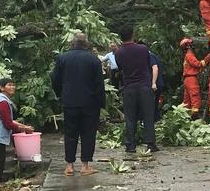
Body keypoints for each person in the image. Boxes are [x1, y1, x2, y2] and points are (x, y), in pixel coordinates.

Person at [51, 31, 106, 176]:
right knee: (88, 133)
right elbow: (99, 84)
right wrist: (101, 102)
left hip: (69, 101)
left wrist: (61, 94)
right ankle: (85, 165)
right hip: (90, 102)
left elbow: (55, 79)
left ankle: (69, 166)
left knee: (70, 133)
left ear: (72, 43)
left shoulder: (63, 58)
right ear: (86, 43)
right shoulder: (93, 59)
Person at [112, 24, 159, 153]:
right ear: (133, 35)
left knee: (130, 117)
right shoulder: (143, 49)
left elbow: (120, 68)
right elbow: (147, 63)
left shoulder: (118, 52)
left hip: (129, 87)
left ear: (121, 38)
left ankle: (130, 144)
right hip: (144, 86)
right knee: (148, 115)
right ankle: (150, 143)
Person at [0, 78, 34, 182]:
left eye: (13, 85)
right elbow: (8, 123)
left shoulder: (2, 100)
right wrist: (23, 129)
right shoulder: (2, 102)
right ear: (2, 88)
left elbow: (9, 120)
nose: (12, 87)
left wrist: (25, 127)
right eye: (9, 85)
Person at [179, 37, 210, 119]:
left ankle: (185, 118)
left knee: (187, 101)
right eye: (191, 44)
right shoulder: (189, 55)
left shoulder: (186, 56)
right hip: (191, 79)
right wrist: (208, 58)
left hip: (187, 80)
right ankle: (194, 118)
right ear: (188, 46)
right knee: (195, 98)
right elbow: (198, 64)